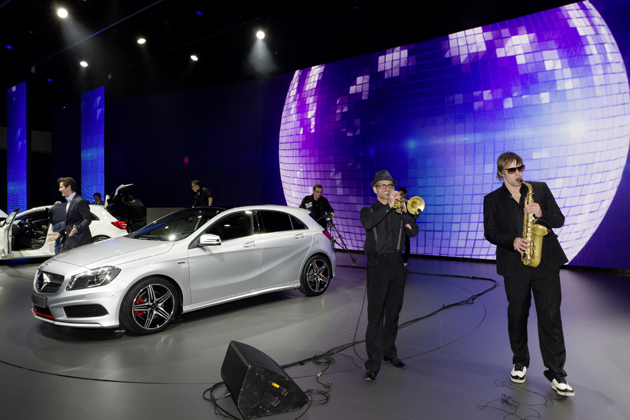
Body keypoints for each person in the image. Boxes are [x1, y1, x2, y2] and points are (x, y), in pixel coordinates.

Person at [483, 152, 573, 397]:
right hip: (515, 264)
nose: (518, 174)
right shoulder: (492, 199)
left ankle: (557, 373)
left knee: (551, 317)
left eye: (520, 168)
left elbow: (559, 219)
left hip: (545, 263)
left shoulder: (539, 189)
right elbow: (490, 232)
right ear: (501, 173)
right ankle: (520, 361)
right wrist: (512, 241)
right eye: (511, 170)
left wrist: (541, 212)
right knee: (517, 315)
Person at [360, 170, 419, 382]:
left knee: (393, 313)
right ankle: (373, 364)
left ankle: (390, 352)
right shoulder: (368, 211)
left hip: (396, 263)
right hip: (377, 264)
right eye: (383, 185)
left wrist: (405, 214)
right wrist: (388, 207)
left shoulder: (401, 210)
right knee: (376, 315)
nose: (388, 188)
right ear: (375, 189)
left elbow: (413, 232)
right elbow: (369, 224)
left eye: (390, 185)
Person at [47, 177, 93, 252]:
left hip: (80, 240)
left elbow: (88, 219)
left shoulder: (80, 201)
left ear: (68, 187)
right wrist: (59, 233)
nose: (59, 190)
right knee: (62, 257)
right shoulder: (67, 202)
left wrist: (77, 228)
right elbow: (68, 223)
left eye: (61, 187)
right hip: (69, 239)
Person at [398, 188, 412, 267]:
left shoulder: (408, 202)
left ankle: (405, 261)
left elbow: (411, 215)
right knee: (397, 244)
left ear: (405, 194)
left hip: (405, 226)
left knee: (406, 244)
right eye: (399, 193)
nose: (400, 195)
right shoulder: (395, 201)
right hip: (397, 226)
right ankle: (398, 260)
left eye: (401, 194)